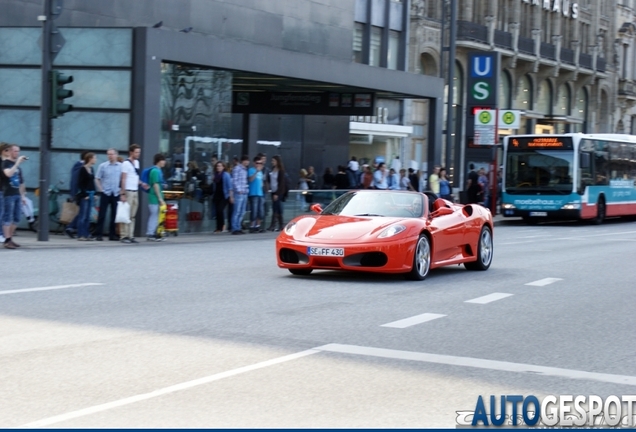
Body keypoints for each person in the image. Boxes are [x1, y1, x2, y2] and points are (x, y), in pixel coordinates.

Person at [1, 144, 27, 249]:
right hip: (8, 193)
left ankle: (10, 238)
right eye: (15, 151)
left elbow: (21, 183)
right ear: (10, 152)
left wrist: (23, 196)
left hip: (17, 194)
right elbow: (8, 174)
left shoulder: (18, 167)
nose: (17, 153)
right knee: (7, 217)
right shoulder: (5, 163)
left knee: (17, 218)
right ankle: (7, 240)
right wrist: (17, 163)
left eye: (18, 151)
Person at [93, 148, 122, 241]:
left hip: (116, 192)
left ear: (116, 155)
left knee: (114, 215)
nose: (110, 156)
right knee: (102, 214)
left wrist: (121, 190)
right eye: (108, 154)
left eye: (112, 154)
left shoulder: (121, 166)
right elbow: (97, 178)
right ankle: (99, 234)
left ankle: (112, 234)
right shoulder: (103, 166)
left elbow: (123, 178)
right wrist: (101, 189)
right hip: (106, 192)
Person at [120, 144, 144, 244]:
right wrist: (122, 193)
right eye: (136, 152)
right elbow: (123, 178)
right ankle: (123, 235)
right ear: (131, 152)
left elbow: (135, 177)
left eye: (139, 152)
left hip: (135, 190)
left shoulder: (137, 163)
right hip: (128, 191)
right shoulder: (125, 163)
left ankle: (131, 235)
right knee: (126, 214)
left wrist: (142, 183)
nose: (138, 154)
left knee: (132, 215)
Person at [65, 150, 89, 238]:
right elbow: (75, 181)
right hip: (80, 193)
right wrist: (74, 194)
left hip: (81, 193)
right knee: (83, 213)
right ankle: (73, 228)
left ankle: (71, 227)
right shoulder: (80, 166)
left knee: (83, 212)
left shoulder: (78, 165)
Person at [76, 152, 97, 241]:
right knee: (83, 216)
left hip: (91, 193)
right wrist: (85, 195)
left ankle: (87, 234)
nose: (95, 160)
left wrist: (95, 193)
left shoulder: (91, 169)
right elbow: (80, 183)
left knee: (88, 216)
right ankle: (81, 235)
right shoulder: (82, 169)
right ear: (90, 159)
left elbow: (92, 182)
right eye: (94, 158)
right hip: (85, 195)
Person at [146, 153, 167, 241]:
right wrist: (160, 198)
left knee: (157, 215)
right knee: (154, 215)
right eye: (163, 160)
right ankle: (150, 233)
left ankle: (155, 232)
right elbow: (155, 185)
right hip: (154, 197)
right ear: (158, 161)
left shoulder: (158, 171)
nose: (164, 162)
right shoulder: (155, 171)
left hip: (155, 197)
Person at [230, 155, 250, 234]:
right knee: (237, 211)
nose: (247, 162)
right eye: (246, 160)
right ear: (242, 161)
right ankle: (234, 228)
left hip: (244, 193)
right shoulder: (237, 168)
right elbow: (234, 180)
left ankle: (238, 227)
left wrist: (246, 190)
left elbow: (245, 181)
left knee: (242, 211)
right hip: (239, 193)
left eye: (248, 161)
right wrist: (239, 190)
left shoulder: (245, 170)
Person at [267, 155, 287, 231]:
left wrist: (277, 193)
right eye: (272, 161)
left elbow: (281, 183)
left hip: (278, 192)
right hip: (273, 191)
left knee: (276, 208)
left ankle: (276, 225)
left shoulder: (281, 171)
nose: (272, 162)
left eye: (274, 161)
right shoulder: (272, 169)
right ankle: (279, 225)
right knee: (276, 208)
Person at [211, 161, 232, 233]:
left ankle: (222, 225)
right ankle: (218, 227)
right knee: (217, 211)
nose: (218, 167)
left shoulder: (226, 175)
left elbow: (230, 187)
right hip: (217, 195)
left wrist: (231, 196)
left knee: (220, 209)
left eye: (220, 166)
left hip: (224, 195)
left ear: (223, 167)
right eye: (217, 166)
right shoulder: (215, 175)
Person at [247, 155, 265, 233]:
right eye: (257, 163)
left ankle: (258, 226)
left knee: (260, 211)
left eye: (260, 163)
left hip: (260, 193)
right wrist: (256, 171)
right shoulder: (251, 170)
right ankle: (252, 226)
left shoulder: (261, 172)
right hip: (253, 193)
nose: (259, 165)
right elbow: (250, 179)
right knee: (254, 210)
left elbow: (261, 182)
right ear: (254, 163)